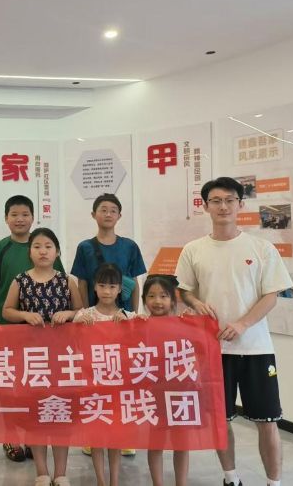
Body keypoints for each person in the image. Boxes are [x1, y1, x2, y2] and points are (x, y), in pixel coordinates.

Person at [175, 177, 293, 486]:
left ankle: (274, 482)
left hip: (256, 348)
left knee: (268, 420)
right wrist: (195, 302)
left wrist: (243, 324)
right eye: (216, 200)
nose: (223, 206)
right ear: (205, 206)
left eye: (229, 200)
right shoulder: (193, 249)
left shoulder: (261, 248)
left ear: (240, 204)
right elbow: (184, 290)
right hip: (213, 350)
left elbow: (271, 295)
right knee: (220, 420)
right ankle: (231, 477)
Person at [0, 195, 65, 462]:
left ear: (33, 217)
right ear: (6, 218)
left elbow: (61, 286)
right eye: (14, 215)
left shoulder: (45, 247)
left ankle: (33, 438)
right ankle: (11, 438)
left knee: (36, 387)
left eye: (25, 214)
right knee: (9, 388)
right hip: (7, 331)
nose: (20, 219)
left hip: (43, 338)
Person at [3, 227, 82, 486]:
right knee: (35, 414)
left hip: (62, 358)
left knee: (60, 413)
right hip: (32, 358)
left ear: (57, 252)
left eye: (48, 246)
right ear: (30, 252)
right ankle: (41, 471)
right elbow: (7, 311)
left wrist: (69, 314)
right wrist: (25, 315)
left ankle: (61, 473)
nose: (43, 251)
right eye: (37, 246)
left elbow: (81, 312)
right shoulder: (20, 280)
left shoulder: (66, 281)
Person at [71, 193, 145, 457]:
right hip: (93, 324)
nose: (108, 214)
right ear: (94, 214)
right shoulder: (85, 247)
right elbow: (81, 282)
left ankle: (124, 436)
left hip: (121, 322)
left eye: (113, 210)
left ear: (119, 216)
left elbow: (134, 283)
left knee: (123, 379)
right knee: (94, 380)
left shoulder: (130, 246)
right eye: (103, 209)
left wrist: (133, 315)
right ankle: (93, 435)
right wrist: (83, 313)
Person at [72, 263, 133, 486]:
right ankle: (100, 480)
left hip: (118, 388)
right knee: (96, 436)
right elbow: (72, 347)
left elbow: (141, 344)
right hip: (93, 386)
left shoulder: (128, 316)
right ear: (95, 288)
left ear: (120, 289)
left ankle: (114, 481)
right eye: (102, 285)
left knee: (116, 437)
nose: (107, 291)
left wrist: (131, 327)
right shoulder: (84, 315)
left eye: (112, 286)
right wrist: (78, 326)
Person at [138, 274, 190, 486]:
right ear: (144, 300)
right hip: (155, 392)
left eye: (163, 296)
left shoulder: (184, 325)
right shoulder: (140, 325)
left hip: (180, 391)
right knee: (156, 442)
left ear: (172, 300)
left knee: (182, 442)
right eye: (151, 296)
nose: (157, 301)